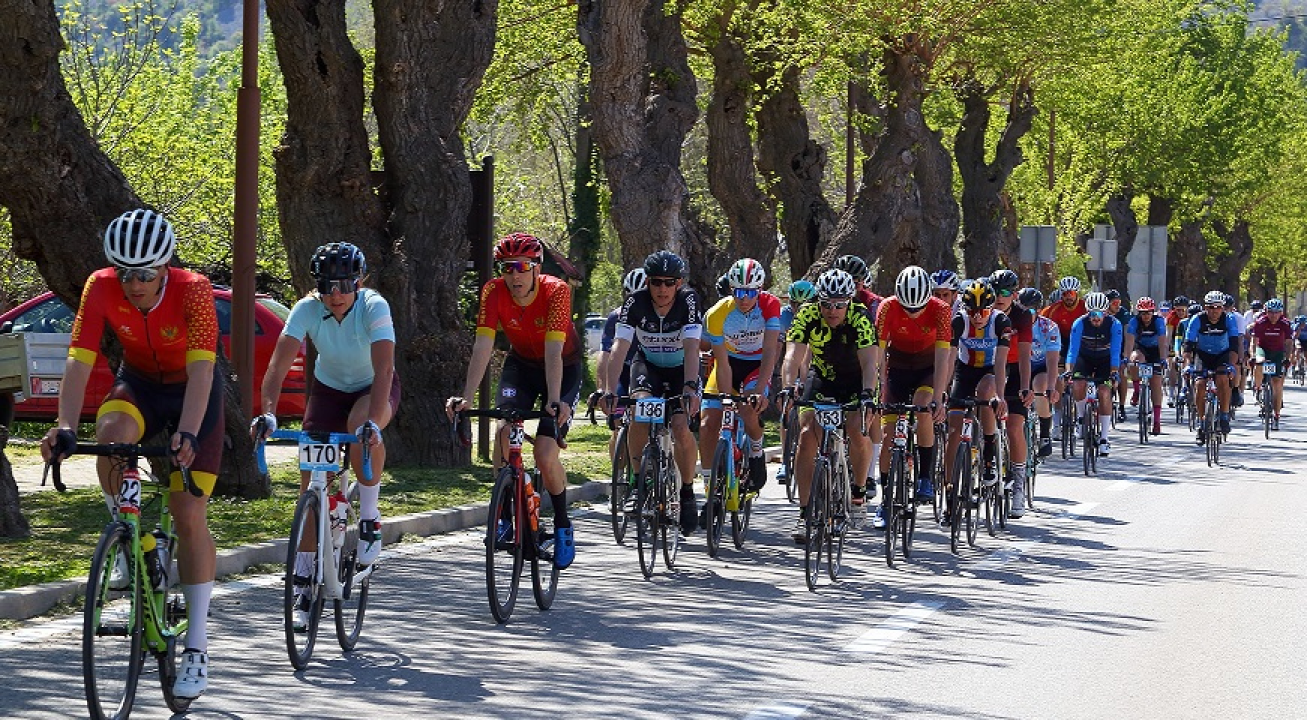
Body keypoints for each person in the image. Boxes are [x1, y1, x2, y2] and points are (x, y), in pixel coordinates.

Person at [42, 208, 222, 700]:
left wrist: (186, 433)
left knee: (188, 513)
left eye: (144, 274)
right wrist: (63, 425)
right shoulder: (98, 286)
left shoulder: (194, 289)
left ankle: (197, 649)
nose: (134, 284)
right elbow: (79, 359)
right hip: (139, 383)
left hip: (193, 393)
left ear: (165, 267)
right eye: (125, 273)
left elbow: (204, 372)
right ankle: (129, 538)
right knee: (113, 434)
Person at [255, 242, 398, 630]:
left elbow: (385, 368)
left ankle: (368, 518)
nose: (335, 295)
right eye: (326, 286)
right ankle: (303, 582)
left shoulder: (374, 306)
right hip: (329, 391)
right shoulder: (306, 309)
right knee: (310, 490)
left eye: (344, 285)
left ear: (359, 282)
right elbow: (278, 364)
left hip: (373, 388)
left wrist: (373, 423)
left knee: (359, 430)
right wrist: (267, 412)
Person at [446, 233, 583, 568]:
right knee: (504, 432)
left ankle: (563, 523)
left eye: (522, 267)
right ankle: (506, 512)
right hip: (520, 366)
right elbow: (482, 347)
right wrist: (466, 397)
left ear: (536, 267)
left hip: (562, 368)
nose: (514, 276)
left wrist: (554, 400)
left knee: (545, 452)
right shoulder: (493, 291)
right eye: (507, 268)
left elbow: (554, 349)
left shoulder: (557, 291)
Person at [602, 250, 703, 535]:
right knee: (639, 412)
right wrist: (609, 391)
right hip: (648, 366)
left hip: (682, 368)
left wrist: (690, 388)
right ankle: (638, 484)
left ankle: (686, 492)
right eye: (656, 282)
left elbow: (693, 348)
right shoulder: (634, 302)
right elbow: (619, 349)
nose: (662, 289)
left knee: (681, 427)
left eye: (669, 283)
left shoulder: (689, 301)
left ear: (679, 283)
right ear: (648, 282)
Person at [781, 269, 879, 543]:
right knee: (806, 435)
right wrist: (788, 388)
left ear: (849, 301)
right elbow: (792, 357)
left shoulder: (860, 316)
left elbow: (871, 362)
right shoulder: (808, 315)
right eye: (826, 304)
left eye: (839, 304)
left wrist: (868, 394)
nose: (832, 310)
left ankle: (858, 494)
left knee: (857, 430)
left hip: (858, 378)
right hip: (822, 376)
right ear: (818, 302)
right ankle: (805, 513)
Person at [874, 266, 952, 527]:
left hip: (927, 369)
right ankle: (886, 501)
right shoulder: (887, 307)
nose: (913, 313)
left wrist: (939, 396)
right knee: (888, 435)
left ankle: (926, 477)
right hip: (896, 368)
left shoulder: (941, 309)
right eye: (907, 308)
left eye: (918, 308)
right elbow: (877, 353)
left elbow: (943, 358)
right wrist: (876, 389)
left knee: (922, 408)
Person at [699, 258, 781, 495]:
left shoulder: (770, 305)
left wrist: (760, 389)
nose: (744, 298)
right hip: (729, 363)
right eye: (738, 292)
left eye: (750, 292)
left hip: (756, 364)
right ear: (731, 289)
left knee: (747, 409)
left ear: (760, 289)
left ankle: (756, 449)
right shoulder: (716, 314)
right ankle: (709, 487)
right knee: (707, 425)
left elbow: (769, 351)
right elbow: (721, 362)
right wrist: (724, 397)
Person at [943, 279, 1010, 515]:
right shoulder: (959, 320)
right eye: (972, 311)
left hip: (991, 370)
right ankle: (950, 491)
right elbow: (950, 359)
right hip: (964, 370)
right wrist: (943, 390)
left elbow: (1001, 362)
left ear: (991, 308)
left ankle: (990, 448)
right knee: (953, 431)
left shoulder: (1000, 321)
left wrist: (1000, 396)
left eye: (982, 311)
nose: (978, 316)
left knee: (985, 393)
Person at [989, 269, 1033, 513]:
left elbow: (1026, 355)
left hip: (1015, 368)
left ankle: (1018, 483)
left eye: (1005, 292)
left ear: (1014, 295)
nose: (999, 296)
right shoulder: (983, 310)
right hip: (988, 366)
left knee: (1015, 426)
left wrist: (1026, 387)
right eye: (996, 291)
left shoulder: (1022, 316)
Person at [1065, 291, 1122, 456]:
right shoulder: (1079, 323)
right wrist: (1069, 371)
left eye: (1100, 314)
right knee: (1077, 384)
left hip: (1105, 361)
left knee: (1105, 391)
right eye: (1092, 313)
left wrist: (1114, 373)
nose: (1096, 318)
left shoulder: (1114, 324)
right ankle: (1081, 419)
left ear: (1106, 312)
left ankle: (1104, 438)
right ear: (1087, 312)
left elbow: (1116, 351)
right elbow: (1072, 351)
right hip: (1085, 358)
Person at [596, 268, 647, 451]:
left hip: (648, 371)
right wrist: (602, 388)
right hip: (624, 371)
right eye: (630, 295)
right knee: (618, 424)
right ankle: (618, 476)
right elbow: (605, 354)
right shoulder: (616, 317)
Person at [1184, 291, 1241, 439]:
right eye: (1211, 307)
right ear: (1205, 307)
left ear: (1223, 308)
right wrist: (1188, 364)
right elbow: (1188, 345)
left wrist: (1232, 365)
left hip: (1222, 355)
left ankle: (1224, 415)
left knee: (1223, 379)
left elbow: (1234, 345)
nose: (1214, 311)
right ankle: (1202, 421)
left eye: (1218, 307)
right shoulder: (1197, 319)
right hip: (1202, 355)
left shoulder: (1228, 319)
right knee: (1200, 385)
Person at [775, 280, 816, 484]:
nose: (797, 309)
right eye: (793, 304)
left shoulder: (816, 314)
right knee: (786, 407)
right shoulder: (784, 317)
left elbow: (807, 357)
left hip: (811, 366)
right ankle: (785, 460)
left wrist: (804, 382)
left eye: (802, 304)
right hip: (791, 363)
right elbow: (781, 351)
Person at [1019, 287, 1062, 459]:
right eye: (1022, 310)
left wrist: (1051, 387)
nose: (1025, 315)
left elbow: (1052, 361)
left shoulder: (1048, 327)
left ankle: (1045, 433)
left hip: (1041, 366)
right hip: (1020, 365)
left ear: (1038, 310)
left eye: (1030, 311)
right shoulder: (1011, 323)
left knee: (1040, 386)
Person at [1122, 296, 1167, 435]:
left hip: (1155, 351)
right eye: (1143, 313)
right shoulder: (1134, 322)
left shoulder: (1158, 322)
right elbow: (1129, 342)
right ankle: (1136, 390)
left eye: (1148, 312)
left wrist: (1163, 359)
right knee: (1135, 360)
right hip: (1141, 348)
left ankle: (1157, 421)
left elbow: (1162, 342)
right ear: (1139, 313)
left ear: (1153, 312)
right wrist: (1126, 358)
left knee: (1156, 383)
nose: (1146, 316)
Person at [1249, 298, 1292, 429]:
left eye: (1276, 312)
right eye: (1271, 312)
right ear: (1266, 312)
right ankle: (1258, 387)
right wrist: (1252, 355)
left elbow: (1289, 342)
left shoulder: (1285, 324)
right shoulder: (1260, 322)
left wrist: (1288, 358)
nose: (1273, 315)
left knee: (1277, 384)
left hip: (1278, 352)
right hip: (1263, 349)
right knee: (1259, 362)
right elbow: (1253, 342)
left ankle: (1277, 414)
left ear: (1281, 313)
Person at [1106, 290, 1131, 422]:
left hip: (1120, 346)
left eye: (1119, 303)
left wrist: (1125, 356)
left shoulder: (1123, 314)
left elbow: (1127, 336)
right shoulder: (1101, 314)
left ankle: (1121, 407)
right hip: (1104, 347)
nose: (1117, 306)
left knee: (1123, 373)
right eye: (1114, 303)